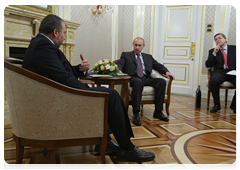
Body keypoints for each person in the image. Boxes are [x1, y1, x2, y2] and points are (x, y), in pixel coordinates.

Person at [22, 14, 155, 162]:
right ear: (55, 32)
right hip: (61, 98)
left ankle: (107, 143)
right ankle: (127, 148)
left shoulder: (41, 44)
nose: (64, 37)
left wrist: (80, 69)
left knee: (107, 94)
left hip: (57, 94)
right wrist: (85, 91)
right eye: (64, 32)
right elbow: (63, 78)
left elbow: (60, 72)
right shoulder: (43, 46)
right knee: (111, 95)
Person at [117, 37, 175, 126]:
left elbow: (158, 65)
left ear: (143, 46)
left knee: (161, 82)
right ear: (133, 45)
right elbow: (120, 64)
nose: (137, 47)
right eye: (135, 45)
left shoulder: (148, 57)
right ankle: (136, 113)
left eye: (139, 45)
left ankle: (158, 111)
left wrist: (167, 72)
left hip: (145, 78)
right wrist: (119, 70)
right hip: (133, 78)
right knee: (138, 82)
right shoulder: (126, 55)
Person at [205, 33, 238, 114]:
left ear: (225, 39)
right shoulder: (212, 51)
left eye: (219, 38)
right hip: (219, 72)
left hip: (233, 71)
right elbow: (208, 65)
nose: (217, 40)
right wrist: (214, 53)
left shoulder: (236, 49)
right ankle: (217, 104)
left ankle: (235, 105)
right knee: (214, 80)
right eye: (216, 39)